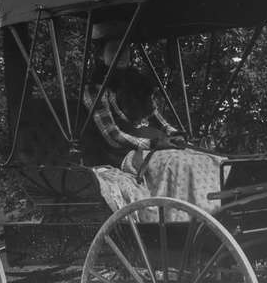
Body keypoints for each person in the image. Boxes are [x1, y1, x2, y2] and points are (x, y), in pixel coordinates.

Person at [84, 53, 224, 221]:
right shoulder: (96, 90)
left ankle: (216, 212)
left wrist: (175, 135)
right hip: (123, 153)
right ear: (101, 53)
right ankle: (182, 220)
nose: (122, 53)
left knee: (208, 159)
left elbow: (160, 122)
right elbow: (113, 136)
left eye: (124, 47)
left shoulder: (137, 82)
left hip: (156, 146)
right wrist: (154, 143)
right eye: (114, 47)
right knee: (179, 164)